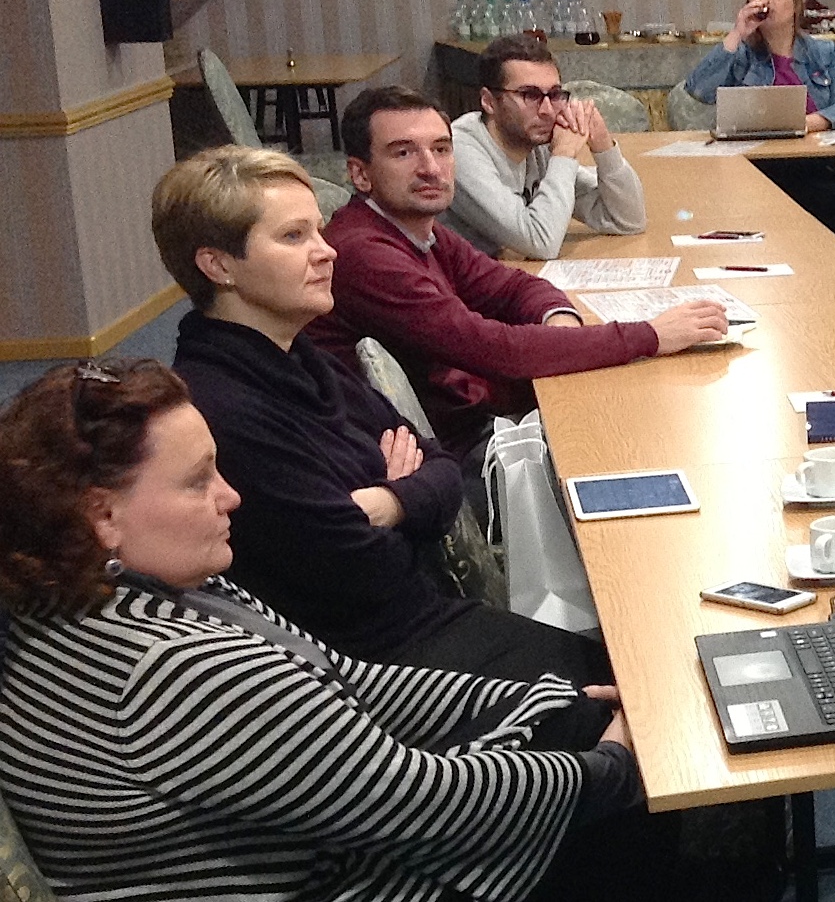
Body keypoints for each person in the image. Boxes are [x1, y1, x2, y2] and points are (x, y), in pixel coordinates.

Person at [0, 358, 645, 902]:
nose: (230, 496)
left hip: (320, 841)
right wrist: (608, 770)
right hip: (335, 878)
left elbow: (350, 682)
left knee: (577, 723)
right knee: (632, 810)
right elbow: (414, 802)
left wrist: (540, 702)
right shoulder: (167, 671)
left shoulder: (118, 589)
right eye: (197, 483)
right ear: (102, 516)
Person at [153, 146, 623, 683]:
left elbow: (440, 466)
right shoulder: (223, 409)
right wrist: (406, 501)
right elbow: (366, 572)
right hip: (376, 671)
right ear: (218, 265)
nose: (326, 251)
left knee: (638, 658)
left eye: (318, 231)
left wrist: (388, 502)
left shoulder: (299, 357)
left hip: (427, 620)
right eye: (293, 237)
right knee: (640, 687)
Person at [306, 86, 729, 459]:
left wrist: (560, 322)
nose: (431, 168)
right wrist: (651, 335)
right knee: (649, 432)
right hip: (445, 458)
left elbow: (511, 285)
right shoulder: (364, 253)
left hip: (470, 424)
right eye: (403, 152)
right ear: (360, 174)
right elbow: (495, 349)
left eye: (441, 149)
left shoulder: (415, 229)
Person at [684, 0, 835, 245]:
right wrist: (737, 34)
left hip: (812, 163)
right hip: (755, 167)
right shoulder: (742, 56)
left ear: (795, 4)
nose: (766, 0)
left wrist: (804, 123)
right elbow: (699, 89)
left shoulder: (825, 53)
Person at [446, 32, 646, 259]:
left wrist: (603, 146)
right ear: (489, 101)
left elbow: (629, 220)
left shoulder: (536, 145)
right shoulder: (459, 152)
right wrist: (564, 155)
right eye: (530, 95)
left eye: (555, 94)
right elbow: (541, 243)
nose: (547, 110)